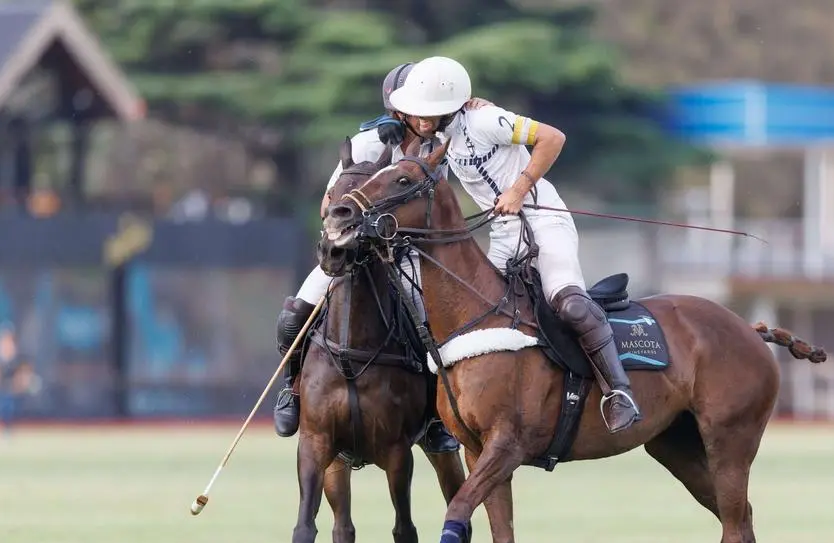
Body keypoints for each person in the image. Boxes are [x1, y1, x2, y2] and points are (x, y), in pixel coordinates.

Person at [386, 56, 640, 433]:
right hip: (504, 233)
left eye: (430, 112)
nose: (422, 120)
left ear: (450, 106)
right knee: (481, 314)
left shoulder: (486, 120)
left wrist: (519, 190)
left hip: (544, 219)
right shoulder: (439, 139)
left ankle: (618, 392)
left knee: (568, 303)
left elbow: (553, 138)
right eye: (417, 112)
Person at [271, 63, 490, 450]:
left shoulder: (443, 141)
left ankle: (437, 417)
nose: (427, 116)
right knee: (293, 316)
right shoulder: (369, 142)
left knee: (433, 326)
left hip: (406, 253)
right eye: (418, 107)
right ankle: (292, 389)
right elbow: (328, 205)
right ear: (398, 109)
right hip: (352, 256)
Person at [0, 324, 34, 434]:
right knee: (1, 405)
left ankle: (8, 428)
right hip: (0, 388)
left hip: (12, 389)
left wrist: (19, 383)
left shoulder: (17, 356)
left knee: (10, 405)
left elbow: (23, 373)